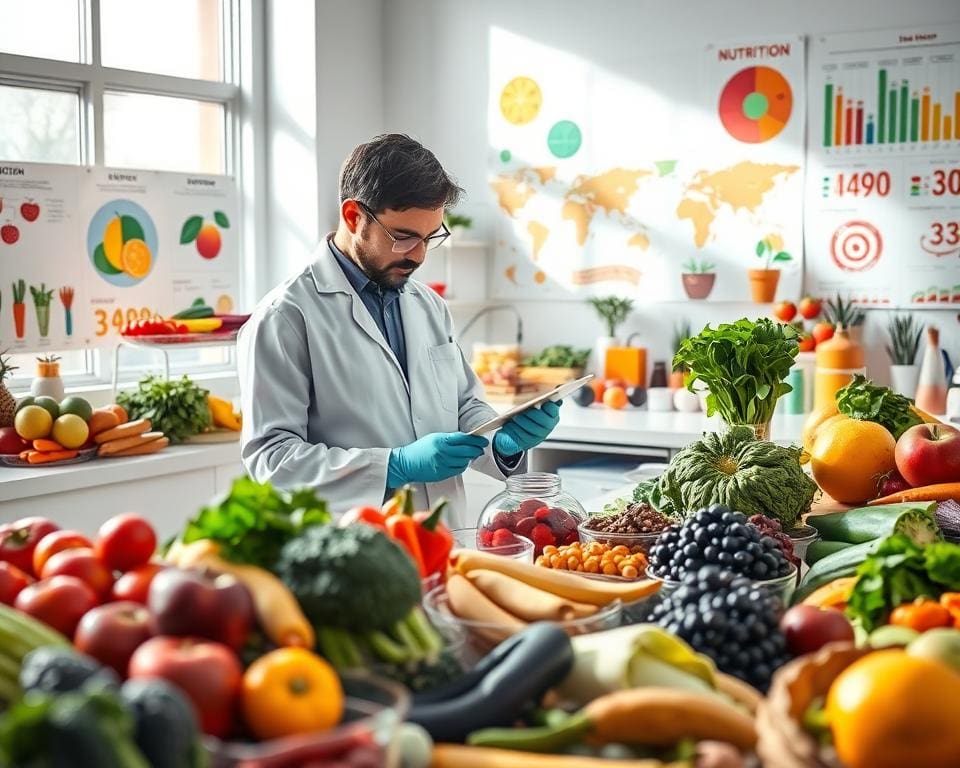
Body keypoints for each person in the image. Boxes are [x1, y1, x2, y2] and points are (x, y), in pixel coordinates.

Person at [238, 134, 561, 524]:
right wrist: (394, 465)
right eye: (404, 237)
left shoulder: (427, 305)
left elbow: (463, 405)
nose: (420, 255)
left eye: (431, 237)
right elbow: (270, 460)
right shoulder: (285, 316)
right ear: (354, 216)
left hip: (440, 537)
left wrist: (503, 442)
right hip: (351, 546)